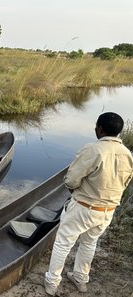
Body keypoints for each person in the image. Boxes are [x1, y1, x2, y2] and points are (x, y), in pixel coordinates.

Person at [44, 112, 133, 295]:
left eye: (96, 126)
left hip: (84, 207)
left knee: (63, 243)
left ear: (100, 129)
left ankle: (52, 284)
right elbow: (125, 182)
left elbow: (71, 180)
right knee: (89, 243)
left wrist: (76, 191)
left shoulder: (93, 149)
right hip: (107, 211)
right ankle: (80, 279)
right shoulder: (127, 154)